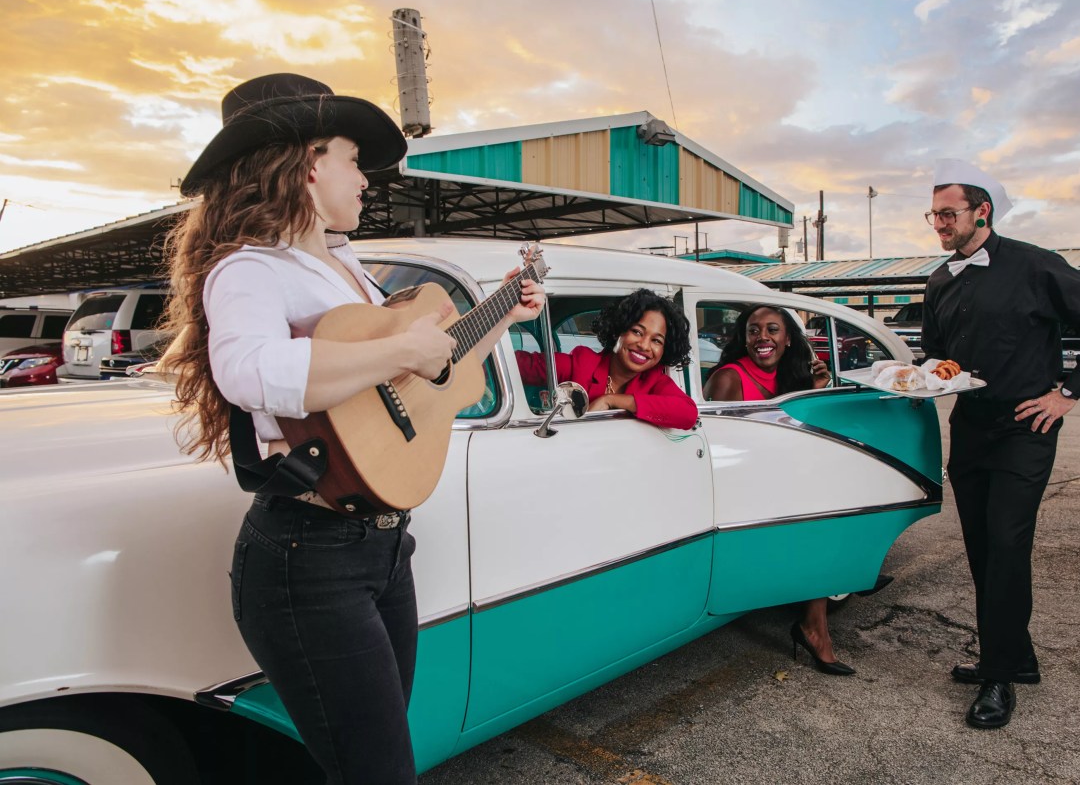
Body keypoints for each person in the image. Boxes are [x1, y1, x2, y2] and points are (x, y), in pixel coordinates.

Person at [161, 73, 544, 784]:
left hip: (383, 547)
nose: (366, 180)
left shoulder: (347, 271)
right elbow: (247, 370)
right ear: (308, 163)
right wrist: (401, 351)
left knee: (372, 760)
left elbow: (430, 372)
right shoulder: (249, 268)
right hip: (308, 557)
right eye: (352, 159)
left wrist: (502, 317)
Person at [920, 159, 1080, 729]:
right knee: (982, 547)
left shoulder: (1035, 264)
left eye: (948, 213)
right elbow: (937, 355)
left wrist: (1067, 393)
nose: (939, 223)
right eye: (933, 214)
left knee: (1007, 545)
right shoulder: (939, 280)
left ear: (982, 211)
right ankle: (1015, 657)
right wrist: (921, 377)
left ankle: (999, 676)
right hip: (970, 426)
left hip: (1025, 428)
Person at [704, 304, 858, 675]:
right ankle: (814, 627)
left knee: (829, 511)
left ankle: (816, 621)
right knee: (816, 521)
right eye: (753, 330)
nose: (763, 337)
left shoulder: (790, 377)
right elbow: (720, 450)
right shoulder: (729, 378)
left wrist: (813, 392)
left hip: (775, 480)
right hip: (733, 487)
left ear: (788, 339)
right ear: (744, 339)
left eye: (772, 330)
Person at [514, 288, 698, 430]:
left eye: (656, 340)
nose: (644, 345)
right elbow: (517, 365)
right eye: (637, 332)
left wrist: (611, 400)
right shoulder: (581, 364)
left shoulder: (654, 381)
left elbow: (688, 413)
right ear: (619, 331)